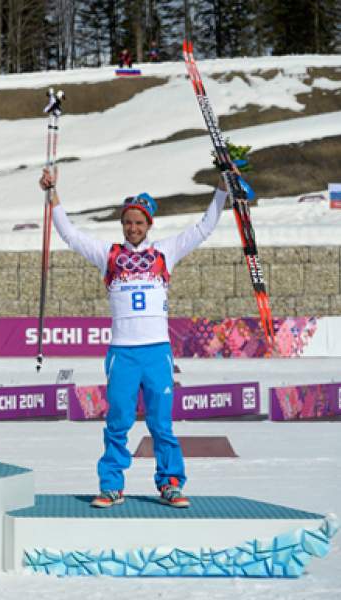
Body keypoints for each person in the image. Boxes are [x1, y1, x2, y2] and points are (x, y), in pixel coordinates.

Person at [40, 167, 230, 508]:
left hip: (156, 353)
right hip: (123, 353)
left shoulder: (164, 253)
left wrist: (221, 188)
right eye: (128, 222)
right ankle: (111, 485)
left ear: (149, 225)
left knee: (162, 425)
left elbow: (204, 227)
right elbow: (69, 234)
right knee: (118, 424)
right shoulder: (109, 255)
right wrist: (52, 195)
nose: (133, 228)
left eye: (139, 222)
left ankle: (170, 483)